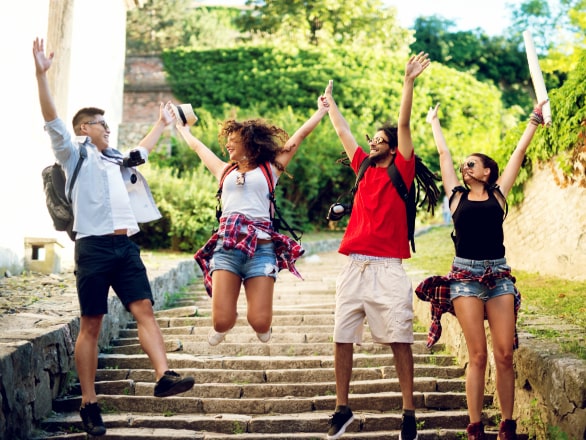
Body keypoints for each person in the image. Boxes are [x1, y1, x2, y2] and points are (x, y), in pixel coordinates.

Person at [32, 37, 195, 436]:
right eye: (102, 122)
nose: (108, 126)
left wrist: (161, 124)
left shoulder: (115, 158)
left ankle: (164, 376)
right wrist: (41, 75)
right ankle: (89, 403)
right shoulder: (75, 154)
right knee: (92, 323)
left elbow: (140, 151)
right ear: (86, 129)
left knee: (144, 310)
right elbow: (53, 120)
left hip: (125, 246)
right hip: (93, 246)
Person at [419, 100, 547, 440]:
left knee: (504, 354)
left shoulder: (499, 195)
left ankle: (507, 425)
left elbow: (519, 152)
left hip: (499, 277)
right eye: (464, 165)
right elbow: (444, 157)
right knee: (478, 355)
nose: (465, 167)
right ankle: (475, 427)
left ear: (487, 171)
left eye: (472, 164)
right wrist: (434, 123)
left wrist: (533, 120)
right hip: (464, 280)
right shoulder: (456, 197)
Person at [322, 52, 431, 440]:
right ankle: (342, 408)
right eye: (373, 139)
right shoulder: (363, 167)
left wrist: (408, 82)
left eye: (380, 140)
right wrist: (330, 105)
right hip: (354, 265)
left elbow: (403, 123)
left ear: (391, 147)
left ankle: (408, 413)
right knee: (341, 336)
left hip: (388, 268)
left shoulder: (401, 167)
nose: (373, 142)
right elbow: (343, 132)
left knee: (400, 339)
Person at [172, 94, 329, 346]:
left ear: (250, 144)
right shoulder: (224, 171)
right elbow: (198, 148)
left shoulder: (270, 169)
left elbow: (297, 139)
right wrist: (183, 130)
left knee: (260, 322)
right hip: (227, 249)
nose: (228, 146)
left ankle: (258, 322)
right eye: (228, 142)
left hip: (262, 251)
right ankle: (226, 317)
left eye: (234, 141)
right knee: (221, 322)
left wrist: (320, 111)